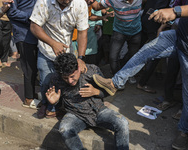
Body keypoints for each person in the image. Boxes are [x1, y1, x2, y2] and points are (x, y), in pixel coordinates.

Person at [92, 4, 188, 150]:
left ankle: (184, 131)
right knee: (146, 50)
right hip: (179, 35)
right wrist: (169, 23)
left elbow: (178, 10)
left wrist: (176, 11)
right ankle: (115, 82)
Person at [45, 53, 129, 150]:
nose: (70, 81)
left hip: (99, 111)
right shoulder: (55, 79)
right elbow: (59, 105)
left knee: (122, 123)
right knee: (65, 129)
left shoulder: (92, 70)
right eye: (65, 78)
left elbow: (107, 92)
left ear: (78, 68)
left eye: (72, 76)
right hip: (76, 115)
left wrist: (96, 91)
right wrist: (54, 102)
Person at [29, 0, 89, 119]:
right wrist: (52, 43)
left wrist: (81, 58)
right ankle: (46, 105)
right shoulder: (43, 2)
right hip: (46, 50)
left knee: (66, 81)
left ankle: (60, 107)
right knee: (46, 80)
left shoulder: (80, 4)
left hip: (67, 52)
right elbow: (34, 26)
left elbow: (82, 33)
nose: (65, 1)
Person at [91, 0, 142, 84]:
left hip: (136, 32)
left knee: (133, 56)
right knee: (113, 57)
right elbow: (96, 7)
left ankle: (129, 74)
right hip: (119, 31)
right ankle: (118, 79)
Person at [6, 0, 39, 109]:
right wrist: (33, 16)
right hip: (24, 35)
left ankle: (33, 94)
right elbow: (11, 12)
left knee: (35, 67)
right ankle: (28, 99)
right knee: (29, 67)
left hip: (38, 34)